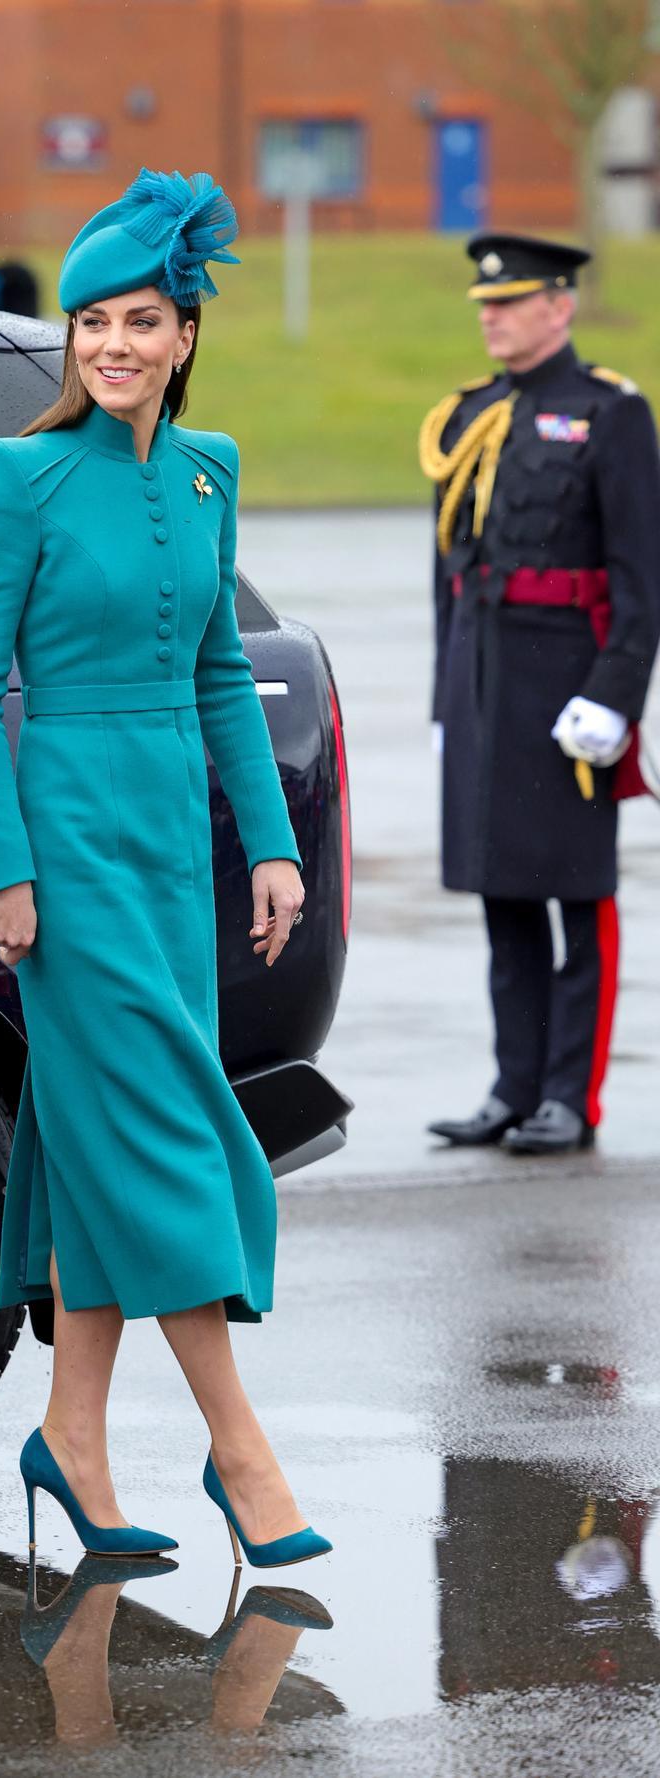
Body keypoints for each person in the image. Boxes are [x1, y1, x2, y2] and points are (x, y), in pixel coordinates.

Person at [0, 168, 331, 1572]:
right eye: (93, 319)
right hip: (69, 841)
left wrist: (273, 846)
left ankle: (74, 1437)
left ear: (183, 337)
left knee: (100, 1132)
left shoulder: (210, 467)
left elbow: (224, 667)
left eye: (143, 319)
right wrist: (4, 866)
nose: (114, 342)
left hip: (173, 839)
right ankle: (245, 1450)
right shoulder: (16, 474)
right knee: (169, 1130)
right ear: (71, 337)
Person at [420, 233, 660, 1156]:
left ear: (559, 307)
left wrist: (616, 695)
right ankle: (513, 1087)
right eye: (485, 304)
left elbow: (642, 577)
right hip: (485, 684)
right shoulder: (470, 416)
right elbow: (450, 573)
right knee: (502, 892)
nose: (492, 316)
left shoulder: (610, 414)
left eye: (510, 302)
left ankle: (572, 1095)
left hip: (569, 692)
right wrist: (448, 704)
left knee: (574, 894)